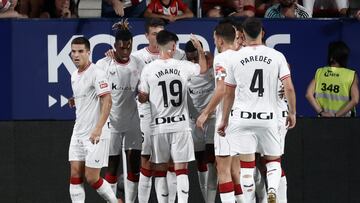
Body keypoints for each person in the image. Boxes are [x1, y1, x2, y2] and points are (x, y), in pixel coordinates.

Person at [217, 17, 296, 203]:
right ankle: (273, 191)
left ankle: (249, 199)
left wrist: (225, 119)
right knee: (273, 162)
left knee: (246, 166)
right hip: (269, 117)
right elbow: (290, 88)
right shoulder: (276, 56)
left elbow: (228, 93)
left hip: (243, 118)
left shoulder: (235, 57)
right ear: (262, 33)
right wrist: (292, 112)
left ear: (242, 35)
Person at [138, 30, 207, 203]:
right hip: (180, 125)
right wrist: (199, 50)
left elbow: (142, 96)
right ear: (174, 46)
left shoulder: (148, 69)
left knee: (160, 169)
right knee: (181, 169)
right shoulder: (181, 65)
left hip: (159, 126)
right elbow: (203, 68)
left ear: (158, 45)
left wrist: (144, 97)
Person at [196, 20, 245, 203]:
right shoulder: (243, 56)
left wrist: (205, 113)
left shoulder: (222, 58)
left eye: (214, 38)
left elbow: (221, 89)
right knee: (238, 171)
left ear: (219, 39)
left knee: (223, 170)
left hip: (226, 118)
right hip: (243, 117)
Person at [96, 20, 142, 203]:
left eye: (128, 48)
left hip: (132, 121)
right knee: (112, 165)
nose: (125, 52)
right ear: (114, 47)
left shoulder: (138, 64)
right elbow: (94, 90)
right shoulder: (103, 64)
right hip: (111, 122)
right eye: (121, 48)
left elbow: (144, 88)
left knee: (133, 165)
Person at [68, 37, 117, 203]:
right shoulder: (74, 75)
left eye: (80, 51)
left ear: (88, 53)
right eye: (74, 51)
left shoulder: (97, 73)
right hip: (78, 131)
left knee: (91, 177)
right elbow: (86, 95)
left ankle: (114, 201)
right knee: (75, 173)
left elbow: (107, 100)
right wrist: (75, 99)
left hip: (96, 133)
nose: (76, 55)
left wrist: (98, 128)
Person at [185, 40, 218, 203]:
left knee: (211, 159)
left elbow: (205, 66)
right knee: (200, 161)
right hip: (194, 120)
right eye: (189, 58)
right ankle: (207, 199)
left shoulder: (211, 62)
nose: (192, 62)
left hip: (211, 118)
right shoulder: (185, 68)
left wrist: (203, 54)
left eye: (195, 58)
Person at [306, 41, 359, 117]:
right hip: (345, 122)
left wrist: (321, 112)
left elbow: (308, 94)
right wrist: (336, 115)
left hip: (323, 120)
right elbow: (355, 100)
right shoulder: (351, 75)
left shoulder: (320, 72)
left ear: (331, 57)